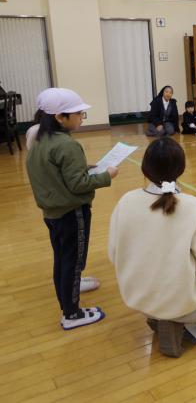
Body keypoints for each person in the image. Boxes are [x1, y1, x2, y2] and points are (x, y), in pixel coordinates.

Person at [108, 138, 196, 357]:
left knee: (180, 297)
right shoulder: (194, 206)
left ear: (145, 168)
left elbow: (114, 254)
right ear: (181, 169)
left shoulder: (126, 201)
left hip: (137, 297)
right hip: (179, 298)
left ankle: (160, 317)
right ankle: (179, 326)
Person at [26, 88, 118, 330]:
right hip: (72, 213)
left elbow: (54, 171)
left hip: (53, 213)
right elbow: (78, 185)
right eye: (78, 114)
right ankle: (71, 314)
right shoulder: (67, 145)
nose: (81, 118)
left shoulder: (38, 138)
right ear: (59, 117)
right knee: (73, 261)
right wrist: (107, 175)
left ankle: (69, 291)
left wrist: (83, 168)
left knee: (62, 258)